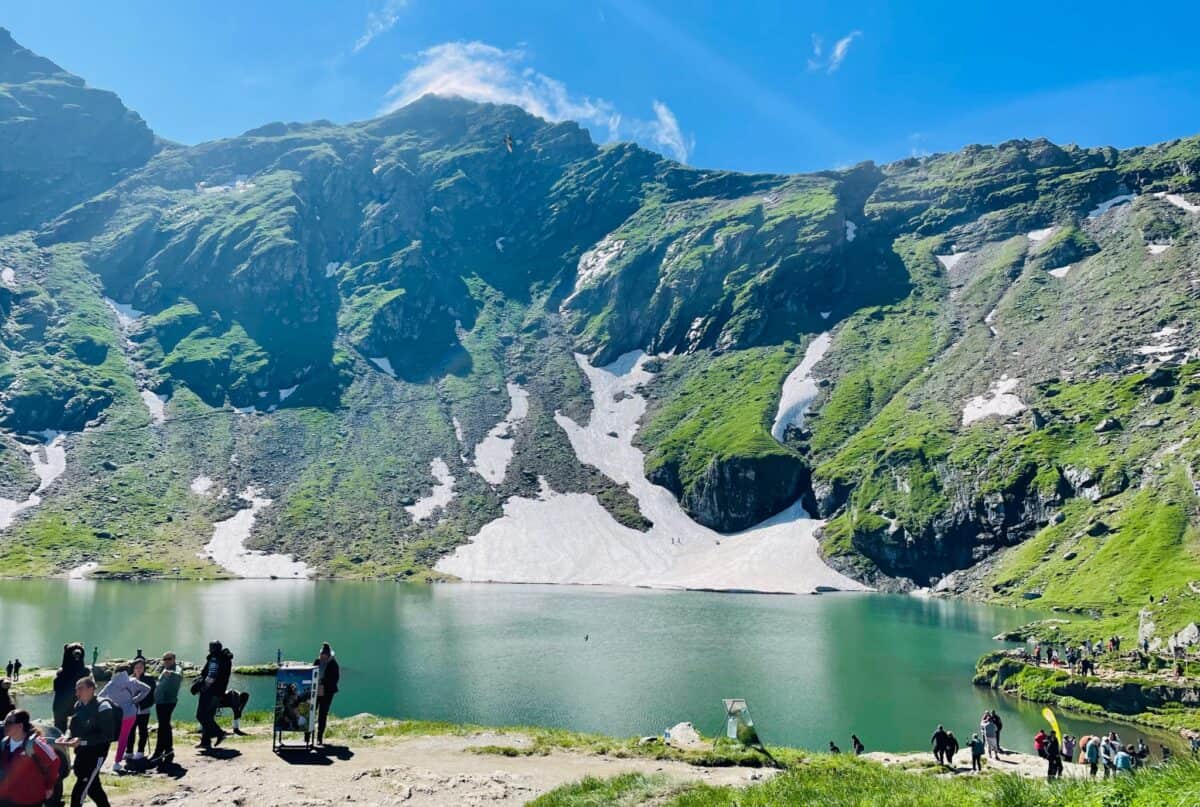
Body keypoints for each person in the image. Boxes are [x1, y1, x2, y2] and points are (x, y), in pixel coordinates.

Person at [59, 677, 116, 807]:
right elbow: (72, 727)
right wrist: (66, 737)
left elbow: (108, 735)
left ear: (91, 689)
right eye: (76, 689)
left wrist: (82, 741)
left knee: (80, 791)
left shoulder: (103, 707)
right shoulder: (78, 705)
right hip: (82, 752)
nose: (77, 693)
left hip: (97, 754)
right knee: (94, 788)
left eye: (80, 689)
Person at [0, 709, 61, 807]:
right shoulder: (4, 743)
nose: (4, 726)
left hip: (30, 800)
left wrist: (49, 786)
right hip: (8, 799)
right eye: (4, 722)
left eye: (8, 723)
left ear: (20, 726)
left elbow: (54, 762)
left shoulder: (35, 744)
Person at [97, 664, 150, 772]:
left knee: (108, 737)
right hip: (130, 714)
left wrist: (110, 703)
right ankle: (117, 762)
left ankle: (99, 760)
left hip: (114, 714)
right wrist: (135, 700)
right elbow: (147, 689)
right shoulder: (133, 681)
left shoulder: (111, 684)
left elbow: (100, 697)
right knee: (123, 738)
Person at [195, 641, 231, 750]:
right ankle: (205, 742)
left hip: (210, 692)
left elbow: (212, 676)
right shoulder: (226, 658)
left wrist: (203, 688)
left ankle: (220, 733)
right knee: (208, 717)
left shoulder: (215, 659)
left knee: (201, 716)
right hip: (219, 692)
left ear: (213, 649)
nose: (209, 649)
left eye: (210, 648)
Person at [149, 652, 181, 766]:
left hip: (168, 702)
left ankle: (160, 752)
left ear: (174, 659)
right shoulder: (164, 669)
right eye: (165, 659)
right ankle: (167, 751)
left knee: (164, 727)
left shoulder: (176, 669)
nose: (166, 661)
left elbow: (178, 674)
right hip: (161, 702)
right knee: (164, 726)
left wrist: (170, 673)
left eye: (169, 659)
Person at [53, 644, 89, 732]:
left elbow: (56, 687)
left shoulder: (61, 673)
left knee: (59, 730)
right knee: (80, 730)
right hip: (80, 704)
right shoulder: (85, 672)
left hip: (60, 705)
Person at [128, 657, 156, 762]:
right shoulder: (130, 678)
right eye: (136, 667)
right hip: (132, 709)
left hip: (144, 708)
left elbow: (151, 693)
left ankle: (140, 751)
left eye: (141, 667)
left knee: (142, 730)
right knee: (130, 730)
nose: (139, 669)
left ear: (144, 668)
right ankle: (129, 751)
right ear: (133, 668)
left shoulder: (149, 678)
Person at [312, 642, 340, 747]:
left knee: (322, 714)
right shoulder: (317, 661)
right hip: (316, 690)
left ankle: (319, 737)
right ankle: (307, 736)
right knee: (311, 712)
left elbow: (335, 679)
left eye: (324, 657)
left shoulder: (333, 664)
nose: (322, 658)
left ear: (328, 656)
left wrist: (323, 681)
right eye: (321, 656)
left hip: (327, 692)